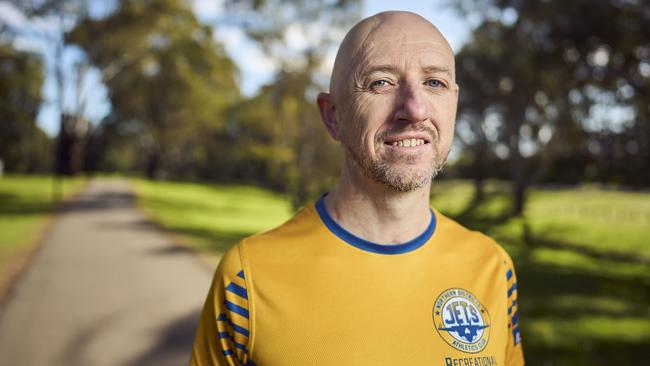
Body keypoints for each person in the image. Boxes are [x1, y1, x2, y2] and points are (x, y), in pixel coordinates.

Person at [190, 11, 524, 366]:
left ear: (454, 103)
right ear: (333, 115)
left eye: (434, 83)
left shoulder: (492, 267)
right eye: (381, 82)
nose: (414, 108)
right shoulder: (247, 277)